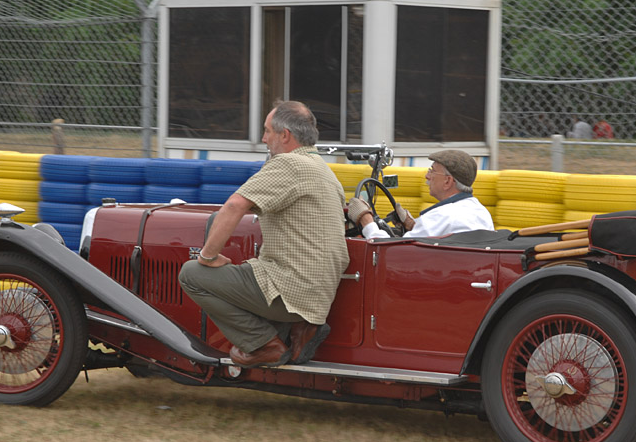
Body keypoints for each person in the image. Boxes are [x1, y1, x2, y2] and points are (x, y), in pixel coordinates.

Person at [178, 101, 349, 368]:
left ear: (285, 135)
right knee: (256, 267)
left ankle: (263, 344)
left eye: (268, 131)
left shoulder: (288, 164)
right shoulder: (325, 172)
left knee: (192, 274)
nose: (263, 138)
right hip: (319, 293)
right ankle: (296, 328)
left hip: (293, 290)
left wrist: (208, 256)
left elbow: (235, 205)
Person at [346, 149, 494, 239]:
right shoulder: (481, 212)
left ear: (448, 182)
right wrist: (412, 225)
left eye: (432, 171)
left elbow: (388, 251)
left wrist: (366, 220)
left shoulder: (440, 217)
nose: (427, 176)